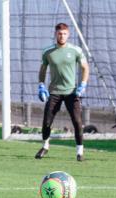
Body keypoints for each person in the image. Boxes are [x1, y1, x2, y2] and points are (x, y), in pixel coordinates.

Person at [36, 22, 89, 161]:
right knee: (47, 122)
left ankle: (80, 152)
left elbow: (85, 67)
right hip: (54, 92)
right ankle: (45, 146)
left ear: (68, 34)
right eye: (59, 33)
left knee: (77, 122)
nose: (62, 36)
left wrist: (83, 84)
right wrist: (41, 85)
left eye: (64, 33)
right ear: (55, 34)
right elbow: (43, 70)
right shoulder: (48, 52)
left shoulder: (76, 50)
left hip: (72, 92)